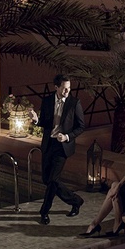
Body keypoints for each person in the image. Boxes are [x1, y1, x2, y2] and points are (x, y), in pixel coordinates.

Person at [30, 73, 85, 225]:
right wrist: (36, 120)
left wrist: (67, 136)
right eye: (64, 88)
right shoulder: (47, 101)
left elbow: (81, 126)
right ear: (56, 87)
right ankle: (76, 200)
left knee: (53, 179)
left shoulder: (75, 103)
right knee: (47, 179)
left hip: (63, 147)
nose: (68, 91)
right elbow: (46, 123)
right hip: (49, 144)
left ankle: (44, 212)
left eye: (69, 88)